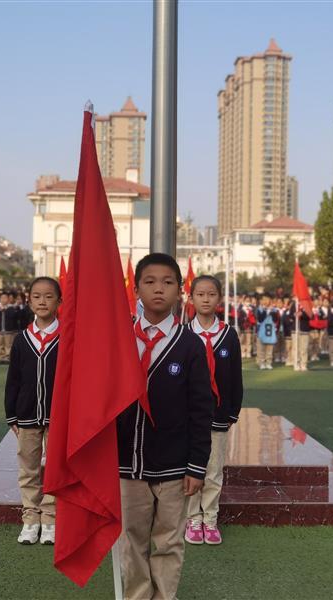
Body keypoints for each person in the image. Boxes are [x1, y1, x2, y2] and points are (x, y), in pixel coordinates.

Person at [116, 253, 213, 600]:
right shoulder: (118, 340)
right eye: (150, 281)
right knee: (131, 540)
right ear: (136, 289)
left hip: (175, 466)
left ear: (180, 291)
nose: (159, 289)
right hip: (127, 463)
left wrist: (197, 465)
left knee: (169, 541)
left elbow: (201, 409)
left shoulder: (190, 345)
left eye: (168, 282)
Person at [184, 275, 243, 546]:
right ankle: (192, 518)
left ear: (219, 298)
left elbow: (235, 377)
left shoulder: (228, 335)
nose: (205, 299)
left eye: (211, 294)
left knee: (214, 470)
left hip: (218, 414)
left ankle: (210, 518)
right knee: (190, 468)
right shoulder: (184, 335)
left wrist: (232, 411)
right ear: (191, 298)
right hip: (188, 416)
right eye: (200, 294)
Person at [4, 276, 62, 546]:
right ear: (29, 301)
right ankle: (30, 518)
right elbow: (13, 379)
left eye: (49, 296)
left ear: (59, 301)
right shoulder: (22, 339)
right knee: (28, 469)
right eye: (36, 296)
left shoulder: (67, 338)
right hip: (26, 414)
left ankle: (50, 517)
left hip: (57, 416)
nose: (42, 301)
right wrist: (11, 414)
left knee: (54, 469)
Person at [256, 294, 277, 370]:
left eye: (267, 299)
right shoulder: (259, 309)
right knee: (261, 349)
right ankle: (261, 363)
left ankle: (268, 363)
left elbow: (275, 319)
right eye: (264, 299)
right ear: (261, 301)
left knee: (269, 349)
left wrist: (271, 310)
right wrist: (266, 311)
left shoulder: (274, 310)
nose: (265, 301)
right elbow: (260, 319)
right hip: (261, 332)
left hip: (270, 333)